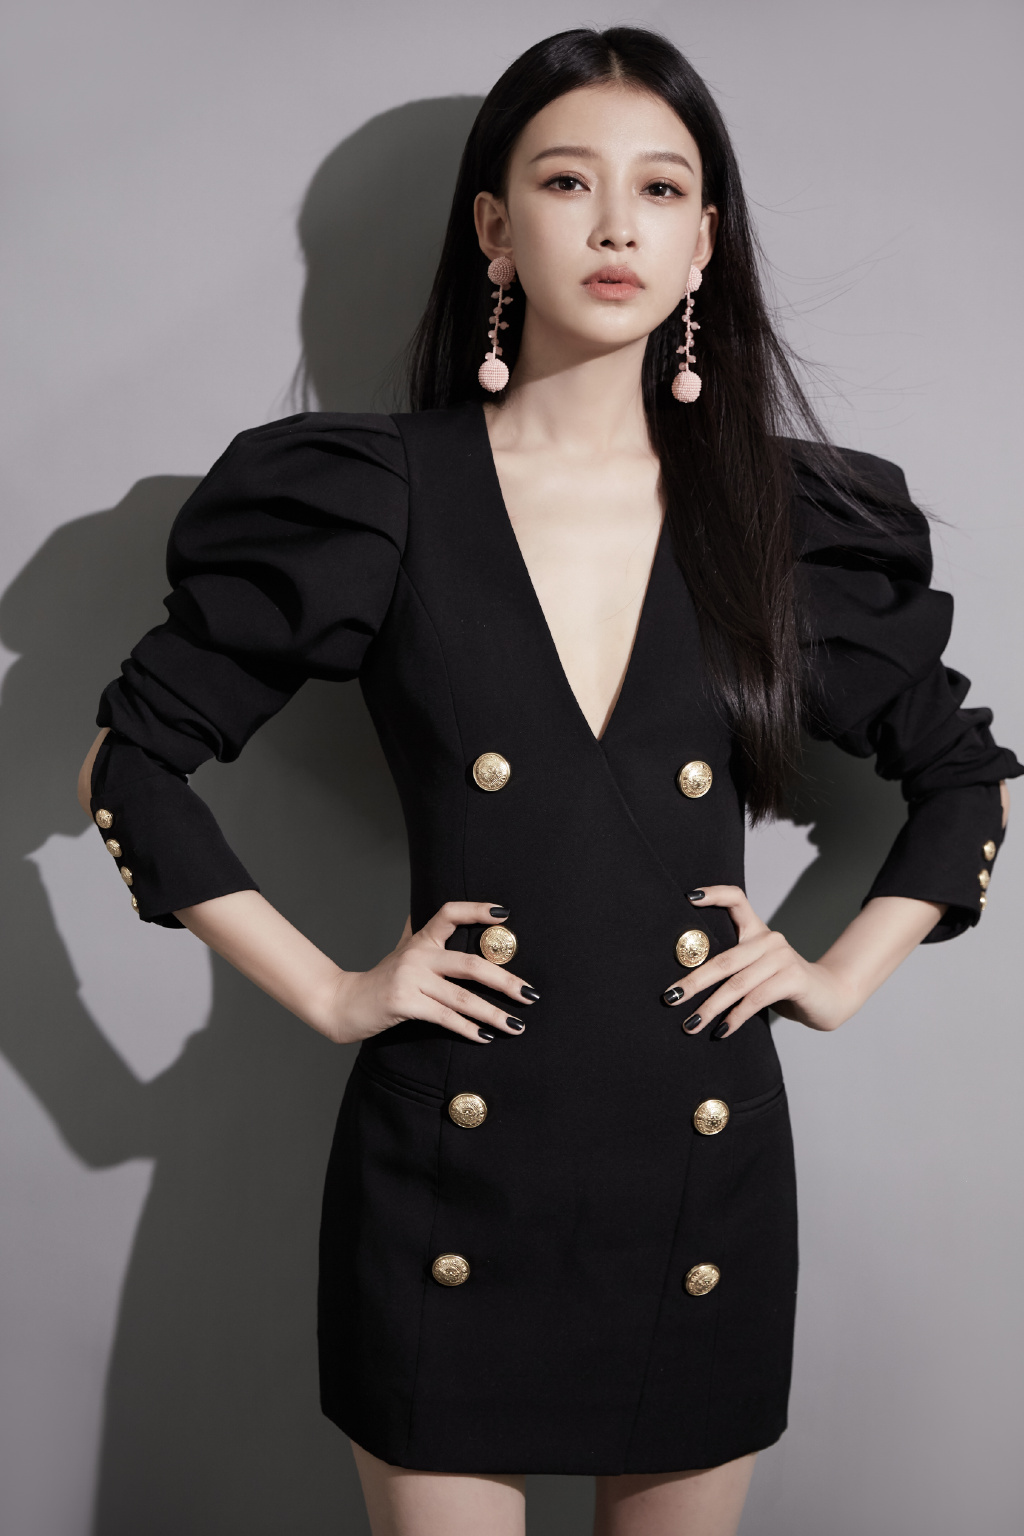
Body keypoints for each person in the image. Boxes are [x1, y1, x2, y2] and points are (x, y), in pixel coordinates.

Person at [76, 26, 1018, 1536]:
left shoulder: (781, 519)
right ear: (496, 227)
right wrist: (332, 992)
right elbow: (132, 759)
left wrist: (837, 974)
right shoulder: (379, 497)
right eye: (569, 183)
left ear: (705, 242)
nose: (617, 224)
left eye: (663, 188)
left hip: (695, 1170)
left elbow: (966, 777)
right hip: (450, 1169)